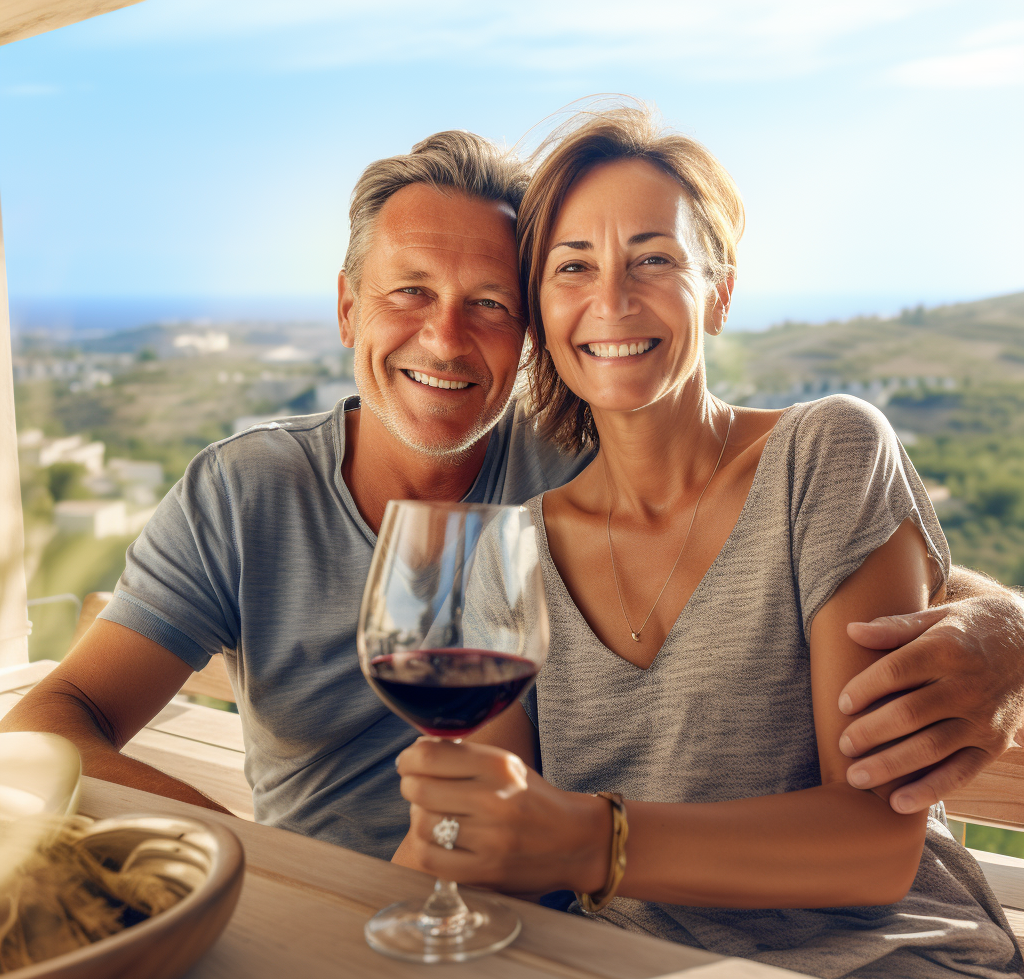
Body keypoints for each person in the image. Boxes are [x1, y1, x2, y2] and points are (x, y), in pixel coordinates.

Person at [2, 129, 1022, 863]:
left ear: (531, 330)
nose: (446, 338)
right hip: (346, 906)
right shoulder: (245, 493)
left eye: (488, 303)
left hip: (554, 909)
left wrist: (1004, 626)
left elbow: (776, 525)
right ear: (348, 307)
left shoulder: (575, 458)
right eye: (409, 292)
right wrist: (245, 857)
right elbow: (58, 716)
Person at [392, 110, 1023, 979]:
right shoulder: (509, 552)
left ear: (719, 292)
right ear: (541, 313)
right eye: (573, 266)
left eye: (654, 258)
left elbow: (871, 844)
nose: (611, 300)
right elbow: (478, 844)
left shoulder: (826, 455)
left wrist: (588, 840)